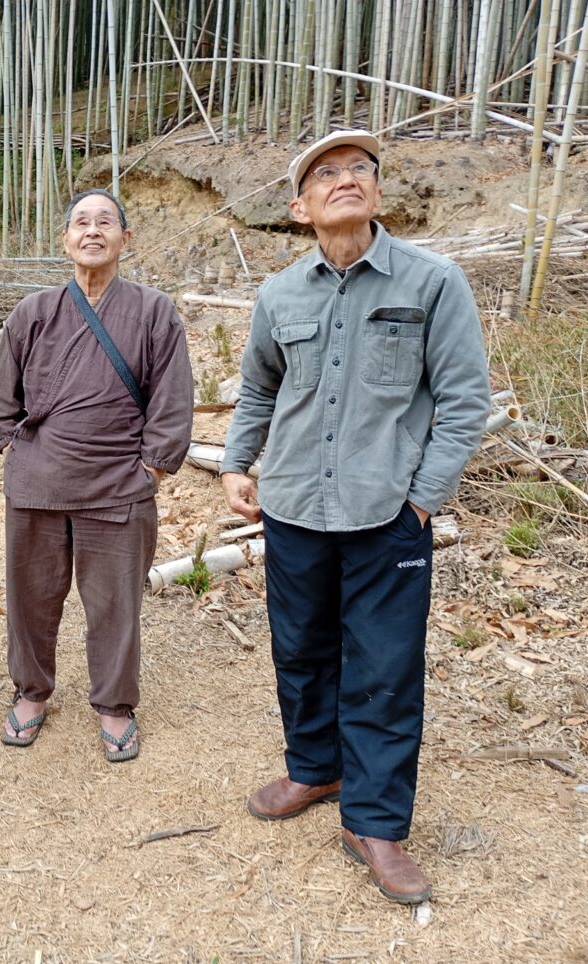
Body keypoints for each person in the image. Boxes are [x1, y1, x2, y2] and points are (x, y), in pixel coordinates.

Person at [220, 130, 490, 903]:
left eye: (360, 170)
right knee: (301, 649)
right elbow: (262, 390)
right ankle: (316, 768)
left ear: (378, 192)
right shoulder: (281, 295)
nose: (346, 180)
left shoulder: (433, 282)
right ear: (301, 209)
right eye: (325, 174)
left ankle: (375, 822)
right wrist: (239, 463)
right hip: (297, 504)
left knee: (384, 670)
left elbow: (465, 401)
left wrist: (423, 497)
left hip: (387, 514)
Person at [0, 188, 193, 762]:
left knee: (116, 603)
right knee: (30, 598)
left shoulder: (153, 311)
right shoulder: (34, 312)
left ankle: (116, 703)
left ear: (125, 238)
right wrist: (17, 453)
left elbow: (171, 402)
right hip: (37, 486)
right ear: (65, 239)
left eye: (105, 222)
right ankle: (31, 691)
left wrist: (149, 463)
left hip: (118, 484)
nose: (92, 230)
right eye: (80, 222)